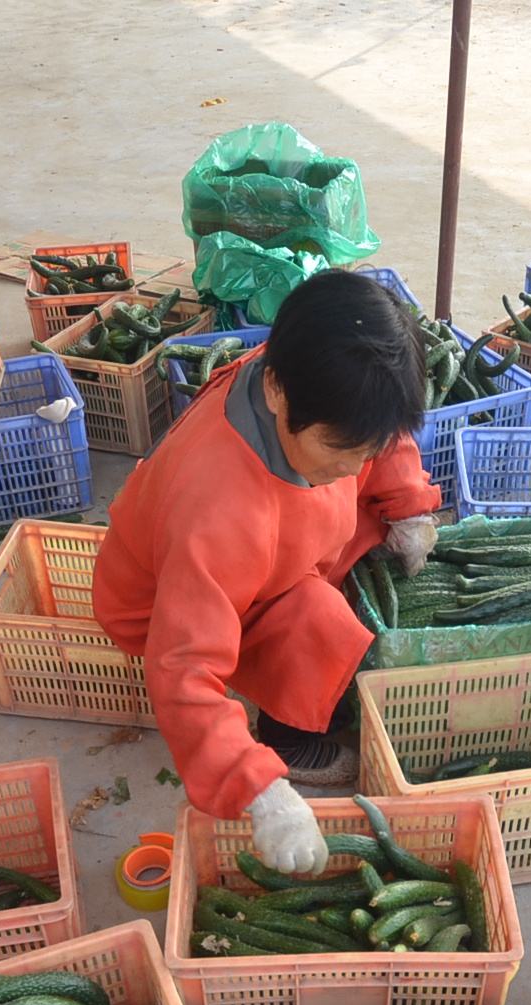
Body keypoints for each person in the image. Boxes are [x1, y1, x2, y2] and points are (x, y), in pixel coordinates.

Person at [93, 269, 442, 877]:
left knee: (356, 528)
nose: (355, 464)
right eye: (341, 450)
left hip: (276, 543)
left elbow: (381, 438)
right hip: (165, 604)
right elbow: (183, 668)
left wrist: (408, 505)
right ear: (278, 393)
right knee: (322, 617)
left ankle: (296, 647)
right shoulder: (217, 511)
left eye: (366, 449)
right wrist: (257, 790)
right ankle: (282, 738)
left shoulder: (308, 375)